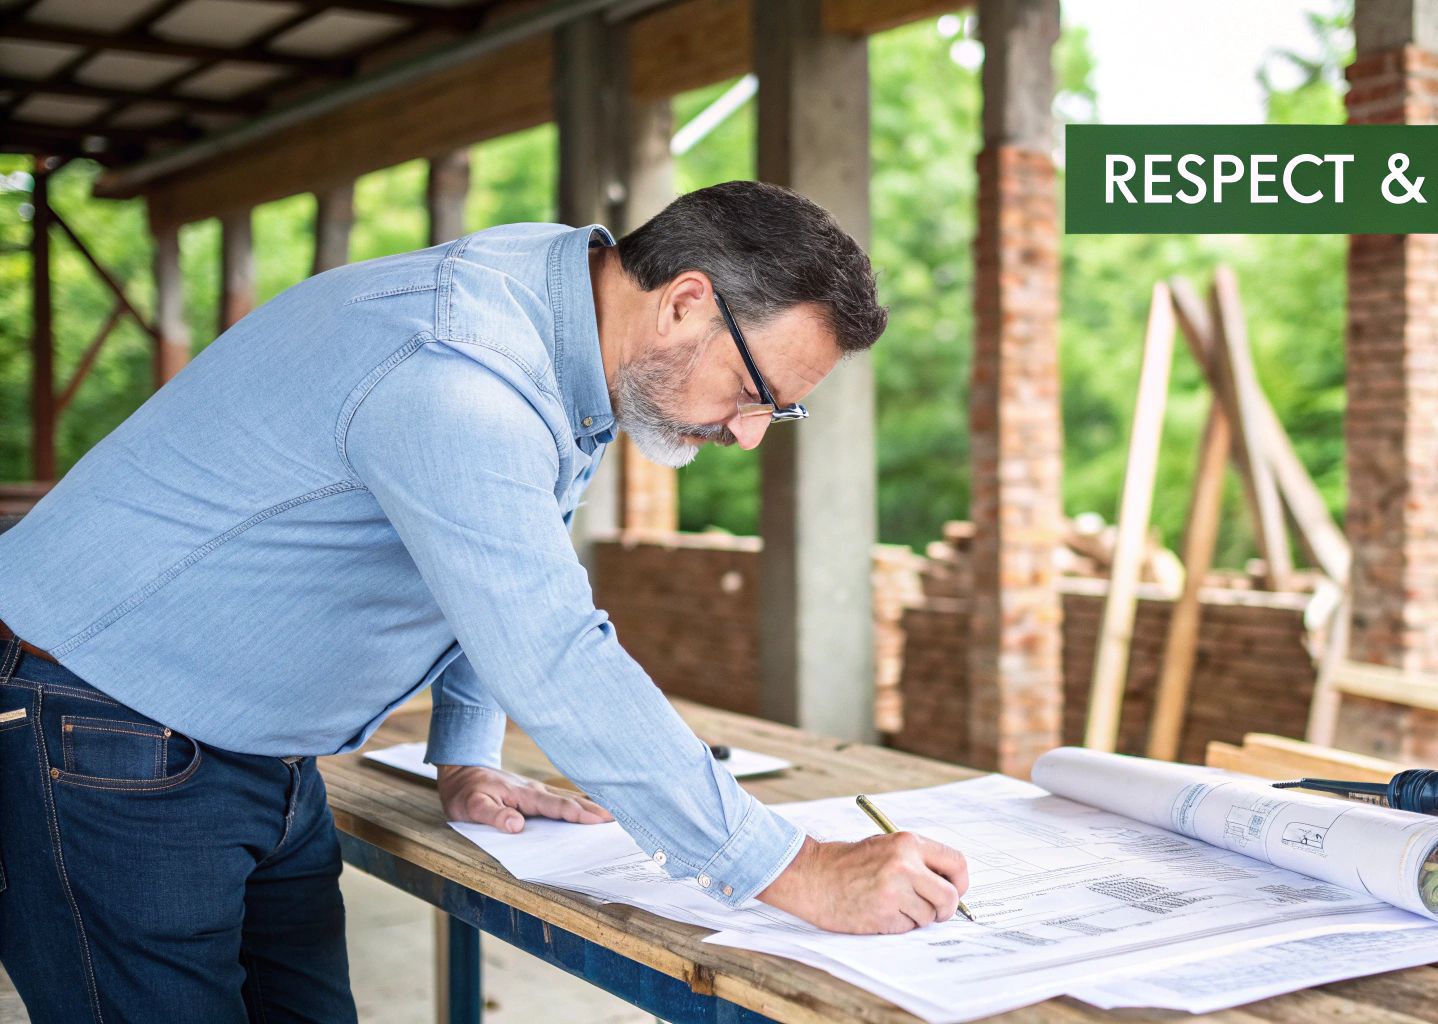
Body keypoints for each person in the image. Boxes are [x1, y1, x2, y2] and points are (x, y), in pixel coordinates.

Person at [0, 180, 970, 1022]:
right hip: (99, 731)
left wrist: (465, 752)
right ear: (683, 302)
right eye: (756, 390)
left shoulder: (567, 313)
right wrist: (792, 868)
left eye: (778, 412)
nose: (750, 434)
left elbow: (497, 549)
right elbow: (552, 651)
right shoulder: (462, 371)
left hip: (253, 747)